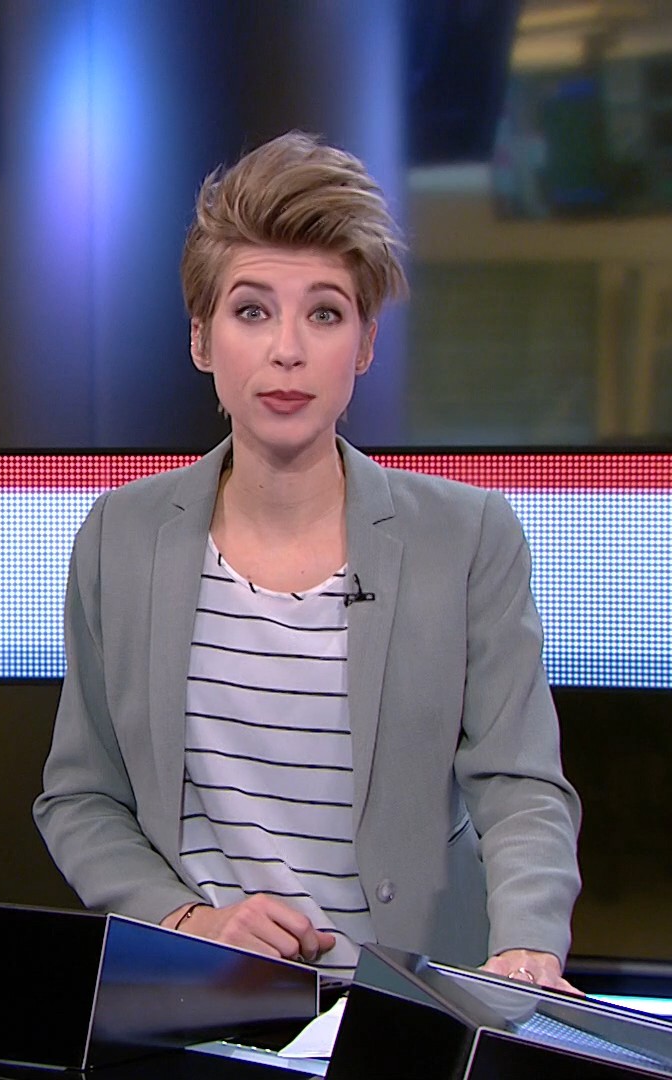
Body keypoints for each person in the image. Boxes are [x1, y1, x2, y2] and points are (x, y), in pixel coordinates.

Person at [33, 131, 582, 990]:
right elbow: (82, 796)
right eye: (252, 311)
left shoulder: (467, 536)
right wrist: (188, 920)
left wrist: (527, 948)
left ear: (363, 345)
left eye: (324, 313)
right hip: (201, 1001)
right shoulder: (121, 536)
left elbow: (520, 785)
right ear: (201, 340)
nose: (287, 349)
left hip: (406, 1005)